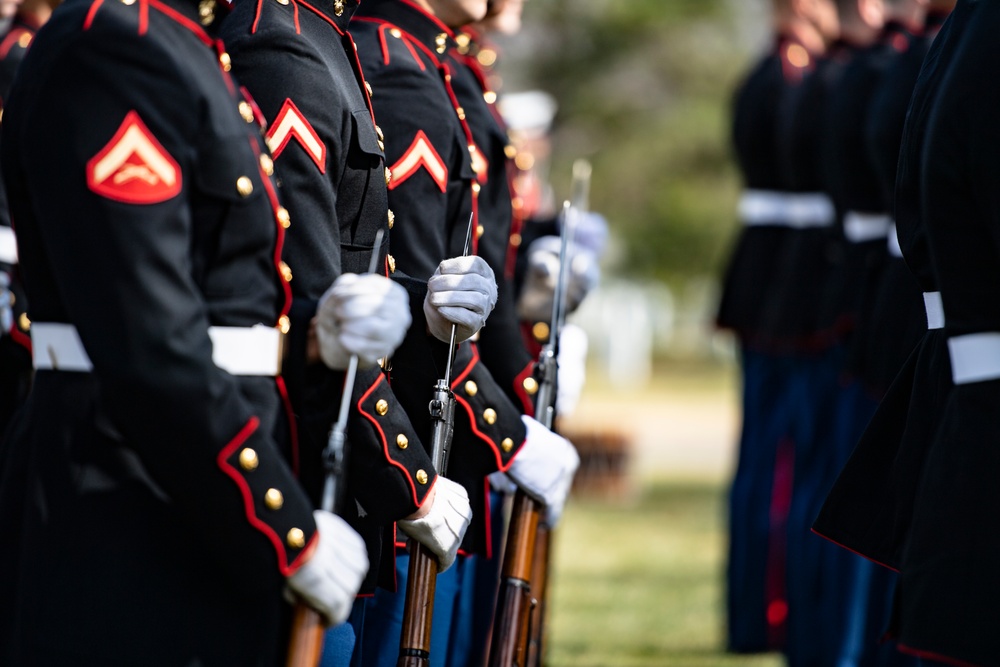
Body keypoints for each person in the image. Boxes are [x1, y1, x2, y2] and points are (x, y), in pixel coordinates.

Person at [0, 0, 395, 660]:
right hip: (128, 499)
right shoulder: (113, 45)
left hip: (185, 496)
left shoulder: (180, 43)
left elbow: (216, 302)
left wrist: (313, 340)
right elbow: (148, 340)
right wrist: (283, 526)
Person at [219, 0, 505, 661]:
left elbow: (358, 279)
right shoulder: (280, 46)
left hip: (342, 467)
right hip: (298, 467)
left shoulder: (322, 36)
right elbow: (309, 303)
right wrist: (407, 476)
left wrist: (426, 311)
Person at [350, 0, 580, 664]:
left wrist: (523, 381)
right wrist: (506, 436)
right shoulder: (402, 73)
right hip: (409, 448)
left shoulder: (433, 67)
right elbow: (423, 310)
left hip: (445, 440)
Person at [715, 0, 834, 653]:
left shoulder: (763, 74)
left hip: (766, 271)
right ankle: (770, 608)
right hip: (801, 278)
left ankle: (754, 609)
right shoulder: (793, 76)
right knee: (785, 457)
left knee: (766, 455)